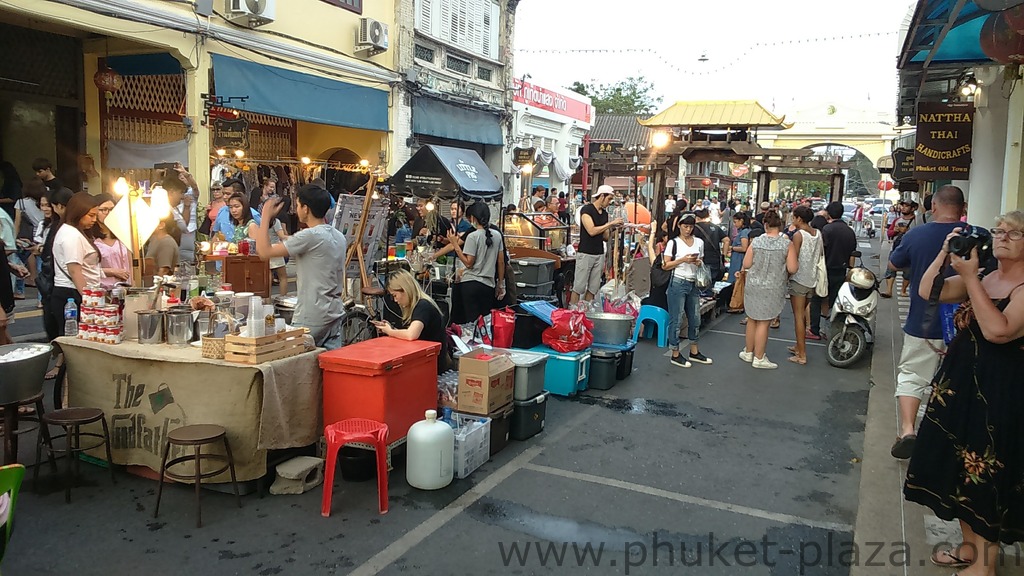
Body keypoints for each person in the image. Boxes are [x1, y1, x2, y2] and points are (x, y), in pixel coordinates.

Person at [903, 210, 1024, 575]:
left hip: (1000, 395)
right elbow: (928, 291)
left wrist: (971, 278)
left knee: (984, 475)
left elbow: (998, 330)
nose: (1002, 236)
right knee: (957, 469)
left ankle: (984, 565)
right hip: (960, 388)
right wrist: (945, 254)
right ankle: (970, 548)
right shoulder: (985, 277)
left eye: (1013, 233)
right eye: (999, 231)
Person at [888, 185, 967, 460]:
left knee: (912, 375)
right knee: (957, 383)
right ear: (964, 209)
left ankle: (908, 429)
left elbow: (894, 263)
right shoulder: (976, 237)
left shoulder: (916, 234)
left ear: (933, 207)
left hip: (922, 319)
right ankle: (946, 438)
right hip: (965, 324)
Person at [254, 184, 347, 349]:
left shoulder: (309, 236)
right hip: (334, 313)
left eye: (297, 205)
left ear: (306, 208)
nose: (296, 210)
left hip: (311, 315)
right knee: (328, 368)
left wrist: (265, 217)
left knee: (294, 363)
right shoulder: (338, 236)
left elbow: (263, 252)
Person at [739, 210, 791, 369]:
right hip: (773, 286)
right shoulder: (786, 244)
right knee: (764, 322)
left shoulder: (756, 242)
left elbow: (747, 264)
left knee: (752, 319)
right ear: (780, 225)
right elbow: (793, 267)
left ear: (765, 225)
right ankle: (759, 357)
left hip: (754, 284)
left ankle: (748, 352)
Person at [374, 270, 450, 374]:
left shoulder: (422, 306)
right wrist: (393, 330)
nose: (395, 300)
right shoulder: (422, 304)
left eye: (395, 295)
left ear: (404, 290)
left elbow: (411, 334)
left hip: (432, 365)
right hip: (430, 361)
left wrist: (390, 331)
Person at [662, 214, 712, 367]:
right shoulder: (673, 243)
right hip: (677, 281)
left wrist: (697, 262)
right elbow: (665, 265)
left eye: (690, 227)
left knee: (695, 318)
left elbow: (701, 260)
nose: (688, 230)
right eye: (685, 226)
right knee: (676, 319)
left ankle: (694, 351)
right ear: (680, 226)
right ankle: (675, 353)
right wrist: (683, 259)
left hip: (693, 282)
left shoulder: (699, 242)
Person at [49, 193, 102, 336]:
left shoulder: (70, 231)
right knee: (75, 336)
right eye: (91, 215)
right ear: (78, 212)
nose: (94, 220)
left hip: (73, 290)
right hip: (72, 292)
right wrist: (90, 299)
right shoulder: (71, 235)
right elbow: (75, 271)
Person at [447, 201, 505, 325]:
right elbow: (501, 262)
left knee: (471, 322)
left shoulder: (472, 236)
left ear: (473, 218)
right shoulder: (497, 235)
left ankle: (472, 343)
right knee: (485, 322)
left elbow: (469, 263)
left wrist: (455, 245)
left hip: (470, 284)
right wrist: (500, 284)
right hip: (488, 285)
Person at [808, 201, 857, 340]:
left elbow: (820, 251)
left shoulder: (827, 230)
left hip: (825, 270)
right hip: (841, 270)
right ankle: (830, 330)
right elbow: (852, 254)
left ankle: (814, 330)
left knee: (817, 299)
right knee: (835, 301)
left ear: (828, 213)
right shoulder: (849, 231)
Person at [786, 205, 823, 365]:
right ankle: (797, 346)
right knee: (802, 314)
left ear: (799, 219)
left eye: (794, 217)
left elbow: (793, 259)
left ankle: (801, 354)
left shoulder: (798, 235)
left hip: (799, 279)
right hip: (813, 279)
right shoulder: (817, 233)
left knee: (798, 317)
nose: (793, 220)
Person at [37, 187, 73, 343]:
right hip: (58, 284)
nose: (46, 209)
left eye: (48, 205)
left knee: (60, 328)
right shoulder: (54, 226)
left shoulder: (61, 228)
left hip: (57, 284)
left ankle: (60, 363)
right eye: (43, 205)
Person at [574, 185, 622, 302]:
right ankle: (572, 309)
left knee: (593, 287)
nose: (609, 202)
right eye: (609, 199)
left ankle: (587, 309)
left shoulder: (605, 214)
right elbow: (591, 230)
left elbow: (605, 237)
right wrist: (610, 224)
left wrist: (614, 229)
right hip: (585, 252)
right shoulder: (587, 210)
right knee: (579, 286)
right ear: (602, 196)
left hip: (599, 253)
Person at [91, 193, 131, 290]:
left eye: (112, 209)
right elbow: (87, 269)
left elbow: (130, 264)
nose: (108, 213)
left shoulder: (122, 235)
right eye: (104, 210)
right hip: (102, 289)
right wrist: (112, 271)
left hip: (125, 288)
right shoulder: (91, 238)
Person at [881, 200, 920, 298]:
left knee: (908, 271)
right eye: (902, 205)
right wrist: (895, 230)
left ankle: (903, 290)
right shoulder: (897, 220)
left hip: (911, 249)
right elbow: (889, 233)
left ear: (913, 208)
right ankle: (889, 290)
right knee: (890, 269)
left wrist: (908, 231)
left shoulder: (917, 221)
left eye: (907, 206)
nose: (903, 208)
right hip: (896, 247)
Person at [162, 168, 198, 262]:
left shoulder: (173, 209)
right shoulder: (163, 211)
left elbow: (183, 224)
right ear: (171, 192)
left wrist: (187, 207)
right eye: (180, 193)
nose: (182, 196)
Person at [693, 209, 725, 290]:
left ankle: (704, 295)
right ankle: (710, 295)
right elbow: (727, 240)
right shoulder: (715, 227)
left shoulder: (695, 227)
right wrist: (723, 254)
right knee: (712, 280)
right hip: (715, 257)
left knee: (702, 280)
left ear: (697, 217)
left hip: (703, 257)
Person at [727, 212, 751, 283]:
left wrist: (732, 248)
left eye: (735, 222)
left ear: (741, 221)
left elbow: (744, 248)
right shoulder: (743, 231)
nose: (734, 225)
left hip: (739, 259)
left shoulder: (744, 232)